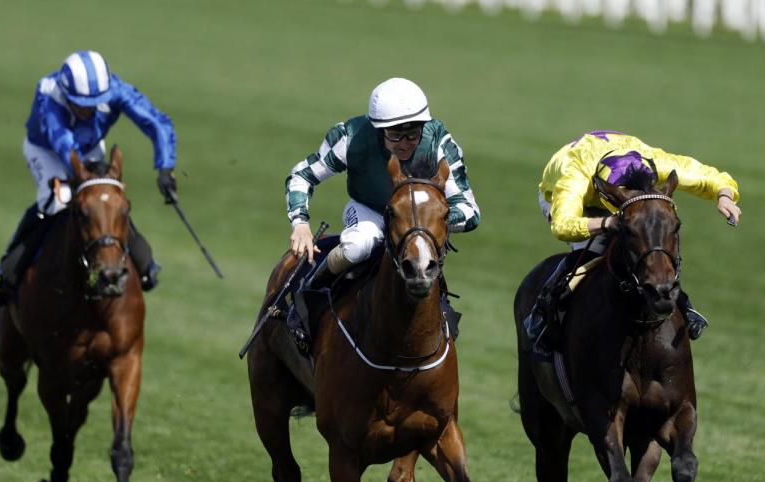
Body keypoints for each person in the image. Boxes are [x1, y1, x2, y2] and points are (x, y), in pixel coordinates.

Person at [283, 78, 481, 341]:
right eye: (395, 134)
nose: (405, 142)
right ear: (379, 129)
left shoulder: (440, 142)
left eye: (413, 133)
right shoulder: (350, 136)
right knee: (358, 246)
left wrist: (431, 221)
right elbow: (303, 175)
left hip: (420, 222)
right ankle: (308, 294)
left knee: (422, 258)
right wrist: (300, 223)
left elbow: (470, 211)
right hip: (369, 210)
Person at [524, 130, 741, 347]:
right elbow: (562, 225)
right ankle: (543, 311)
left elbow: (711, 177)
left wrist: (725, 197)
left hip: (616, 167)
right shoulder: (575, 174)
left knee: (651, 238)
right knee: (593, 250)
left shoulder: (656, 163)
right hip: (561, 193)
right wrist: (605, 223)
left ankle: (682, 302)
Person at [0, 50, 178, 303]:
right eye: (80, 104)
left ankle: (145, 263)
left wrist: (165, 168)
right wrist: (85, 180)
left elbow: (156, 123)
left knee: (108, 201)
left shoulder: (117, 90)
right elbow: (63, 143)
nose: (87, 110)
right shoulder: (49, 95)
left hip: (89, 147)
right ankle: (10, 269)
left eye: (94, 104)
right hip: (48, 150)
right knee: (58, 200)